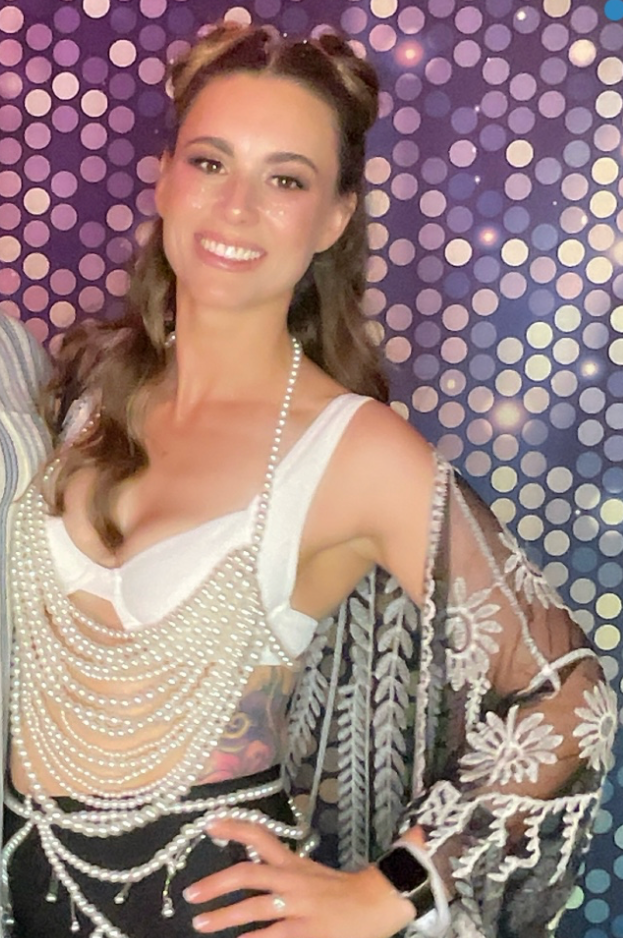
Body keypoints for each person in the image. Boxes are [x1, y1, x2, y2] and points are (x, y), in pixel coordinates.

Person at [0, 22, 616, 938]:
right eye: (211, 163)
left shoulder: (355, 449)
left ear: (332, 219)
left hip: (212, 906)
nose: (235, 206)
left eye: (284, 179)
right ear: (165, 178)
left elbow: (569, 698)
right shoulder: (82, 393)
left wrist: (390, 890)